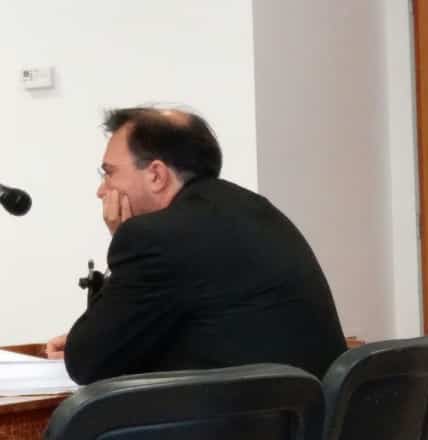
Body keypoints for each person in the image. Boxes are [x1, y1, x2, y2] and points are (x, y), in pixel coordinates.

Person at [46, 107, 347, 384]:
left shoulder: (153, 237)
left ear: (156, 175)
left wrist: (122, 235)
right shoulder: (256, 210)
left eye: (109, 172)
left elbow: (87, 363)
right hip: (306, 413)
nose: (102, 190)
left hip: (238, 416)